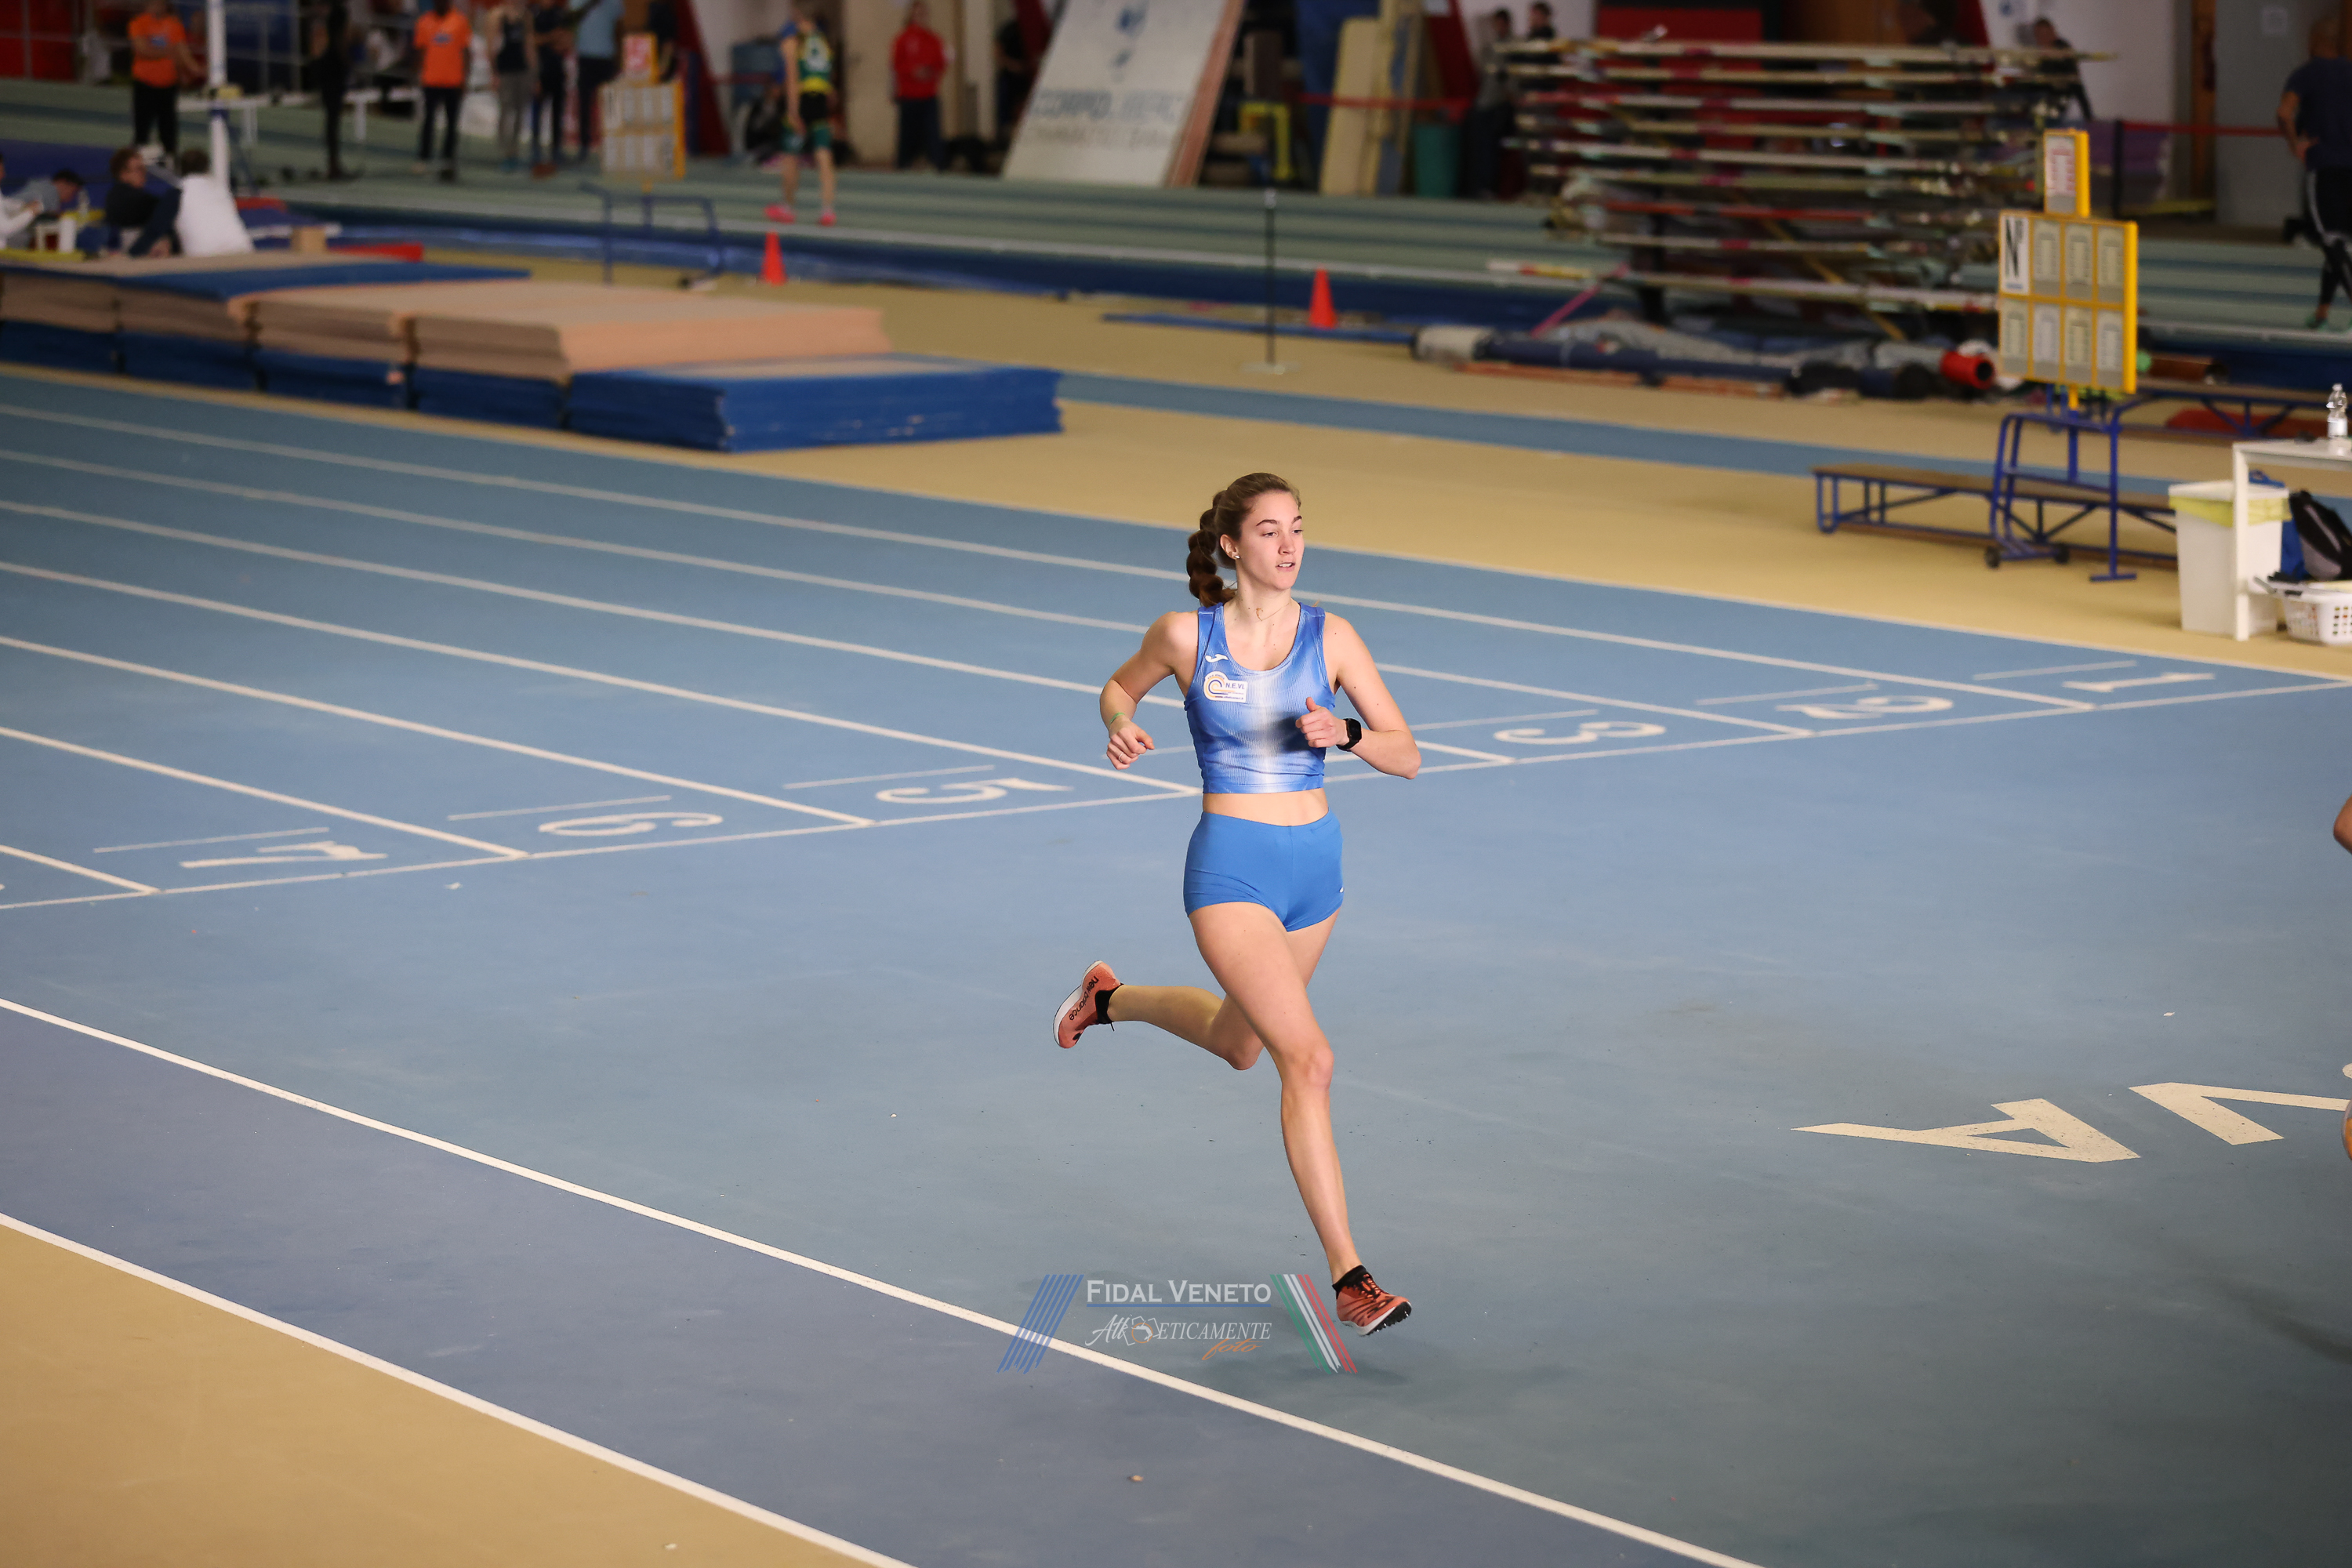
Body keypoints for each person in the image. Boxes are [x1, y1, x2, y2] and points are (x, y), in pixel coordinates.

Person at [1054, 473, 1421, 1341]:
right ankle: (1351, 1276)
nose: (1289, 547)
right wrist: (1118, 722)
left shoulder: (1334, 637)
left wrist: (1349, 734)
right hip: (1233, 871)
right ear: (1231, 545)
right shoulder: (1187, 634)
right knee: (1310, 1060)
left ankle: (1110, 999)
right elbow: (1118, 686)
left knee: (1241, 1044)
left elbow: (1407, 754)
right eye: (1268, 531)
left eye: (1298, 529)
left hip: (1317, 871)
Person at [2281, 19, 2352, 328]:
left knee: (2331, 240)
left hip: (2326, 167)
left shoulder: (2306, 74)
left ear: (2314, 39)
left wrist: (2294, 144)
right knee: (2339, 244)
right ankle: (2322, 312)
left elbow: (2284, 112)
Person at [764, 0, 837, 227]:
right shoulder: (824, 41)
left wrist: (793, 113)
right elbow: (828, 78)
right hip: (820, 101)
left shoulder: (792, 42)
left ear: (796, 13)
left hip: (803, 100)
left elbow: (793, 80)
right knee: (823, 155)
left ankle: (788, 207)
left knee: (790, 156)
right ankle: (827, 210)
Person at [127, 0, 198, 168]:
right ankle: (137, 159)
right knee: (142, 125)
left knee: (168, 125)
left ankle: (170, 158)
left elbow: (182, 50)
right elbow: (142, 49)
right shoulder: (139, 23)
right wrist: (168, 51)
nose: (158, 6)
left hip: (168, 83)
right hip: (145, 82)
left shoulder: (173, 24)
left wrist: (194, 69)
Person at [412, 0, 472, 182]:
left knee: (452, 123)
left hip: (453, 81)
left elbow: (466, 51)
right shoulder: (424, 21)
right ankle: (424, 157)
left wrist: (465, 78)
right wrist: (417, 74)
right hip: (431, 80)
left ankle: (448, 159)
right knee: (428, 121)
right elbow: (420, 50)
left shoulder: (459, 21)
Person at [892, 0, 947, 172]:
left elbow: (941, 63)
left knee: (932, 134)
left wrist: (930, 72)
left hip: (928, 95)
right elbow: (897, 64)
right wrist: (913, 72)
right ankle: (904, 166)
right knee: (908, 136)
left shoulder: (934, 39)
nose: (921, 17)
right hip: (909, 96)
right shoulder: (903, 39)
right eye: (917, 13)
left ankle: (937, 166)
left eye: (924, 13)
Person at [1463, 8, 1512, 199]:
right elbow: (1484, 71)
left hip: (1498, 104)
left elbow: (1507, 80)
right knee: (1479, 148)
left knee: (1490, 149)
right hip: (1484, 103)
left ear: (1506, 24)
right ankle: (1477, 186)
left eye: (1498, 24)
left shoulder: (1511, 47)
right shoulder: (1490, 47)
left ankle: (1488, 186)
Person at [170, 147, 252, 256]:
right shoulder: (221, 189)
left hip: (203, 254)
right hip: (241, 248)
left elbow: (157, 230)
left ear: (180, 169)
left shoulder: (177, 193)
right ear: (207, 168)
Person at [103, 146, 180, 256]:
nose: (144, 173)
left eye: (144, 169)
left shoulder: (112, 196)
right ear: (123, 174)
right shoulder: (132, 199)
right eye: (139, 169)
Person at [573, 0, 626, 153]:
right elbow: (571, 20)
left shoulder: (614, 2)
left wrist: (620, 57)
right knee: (584, 102)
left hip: (607, 57)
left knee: (610, 103)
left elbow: (619, 27)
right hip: (585, 56)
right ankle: (584, 145)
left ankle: (613, 144)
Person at [308, 0, 351, 180]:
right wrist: (346, 64)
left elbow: (316, 43)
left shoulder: (320, 13)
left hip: (324, 67)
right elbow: (339, 40)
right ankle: (333, 164)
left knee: (332, 119)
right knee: (333, 119)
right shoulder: (337, 13)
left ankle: (333, 163)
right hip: (333, 69)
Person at [529, 0, 575, 169]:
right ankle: (535, 150)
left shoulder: (560, 15)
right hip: (540, 72)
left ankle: (556, 150)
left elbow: (567, 41)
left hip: (557, 70)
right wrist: (551, 37)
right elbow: (531, 41)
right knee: (537, 113)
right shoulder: (533, 14)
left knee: (558, 113)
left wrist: (550, 39)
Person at [492, 0, 535, 172]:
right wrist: (494, 73)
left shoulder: (526, 17)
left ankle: (514, 150)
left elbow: (529, 45)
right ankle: (504, 150)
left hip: (521, 70)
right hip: (505, 71)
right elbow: (492, 45)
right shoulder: (498, 16)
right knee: (505, 110)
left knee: (519, 111)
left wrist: (533, 73)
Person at [2032, 17, 2092, 122]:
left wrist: (2089, 118)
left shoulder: (2063, 49)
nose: (2042, 38)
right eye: (2039, 35)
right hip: (2042, 97)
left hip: (2058, 97)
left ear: (2052, 33)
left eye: (2045, 34)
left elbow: (2074, 82)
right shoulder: (2037, 54)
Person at [993, 13, 1033, 136]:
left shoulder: (1033, 30)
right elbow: (998, 51)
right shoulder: (1009, 29)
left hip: (1028, 76)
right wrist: (1012, 65)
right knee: (1007, 111)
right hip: (1010, 77)